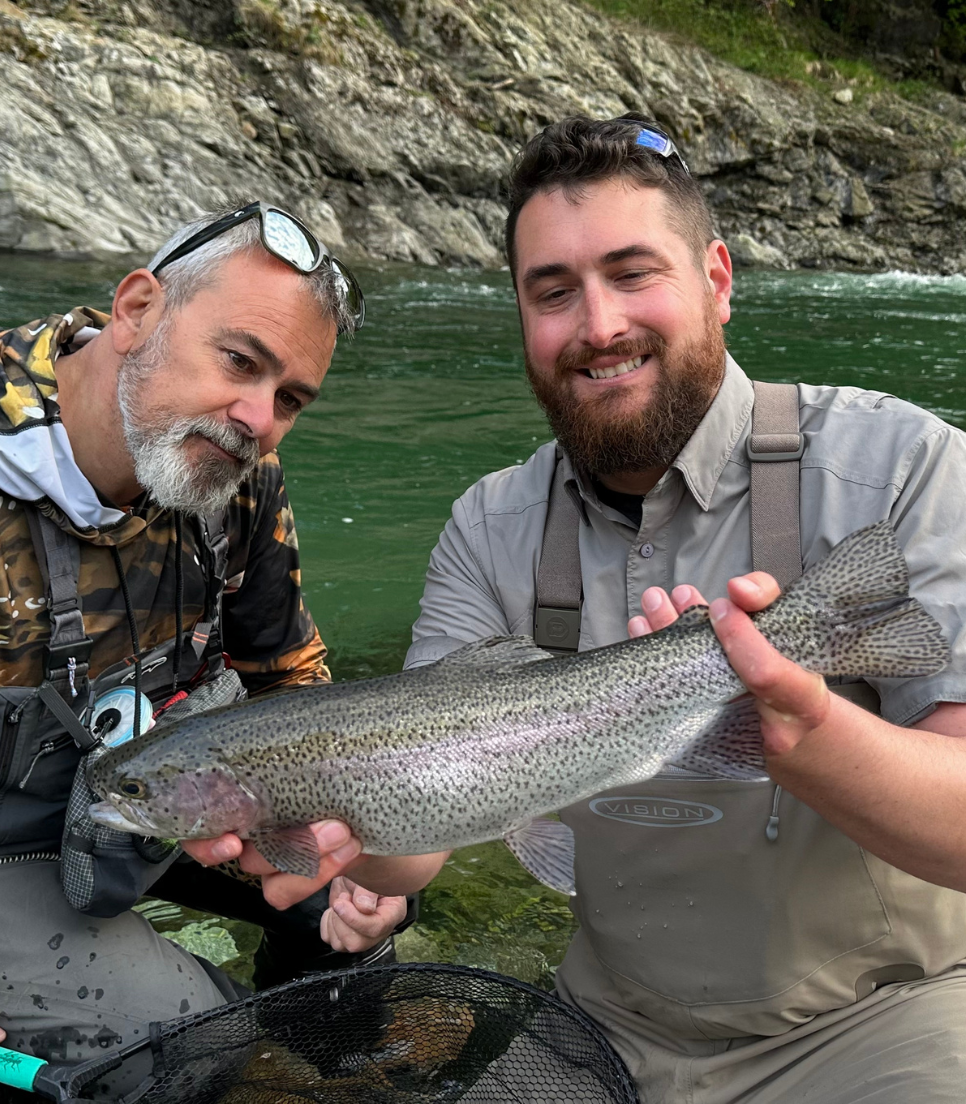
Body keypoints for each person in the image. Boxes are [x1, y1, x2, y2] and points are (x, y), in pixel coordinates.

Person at [403, 115, 966, 1102]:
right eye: (553, 292)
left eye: (632, 272)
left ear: (718, 280)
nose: (598, 325)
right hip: (602, 1026)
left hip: (883, 1027)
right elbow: (413, 830)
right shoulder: (488, 524)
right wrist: (312, 830)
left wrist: (807, 731)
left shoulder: (903, 468)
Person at [0, 202, 413, 1096]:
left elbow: (291, 683)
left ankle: (329, 1075)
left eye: (291, 398)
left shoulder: (238, 479)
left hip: (158, 790)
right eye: (240, 362)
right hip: (13, 848)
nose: (259, 419)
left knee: (350, 905)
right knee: (182, 1037)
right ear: (138, 308)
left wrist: (355, 842)